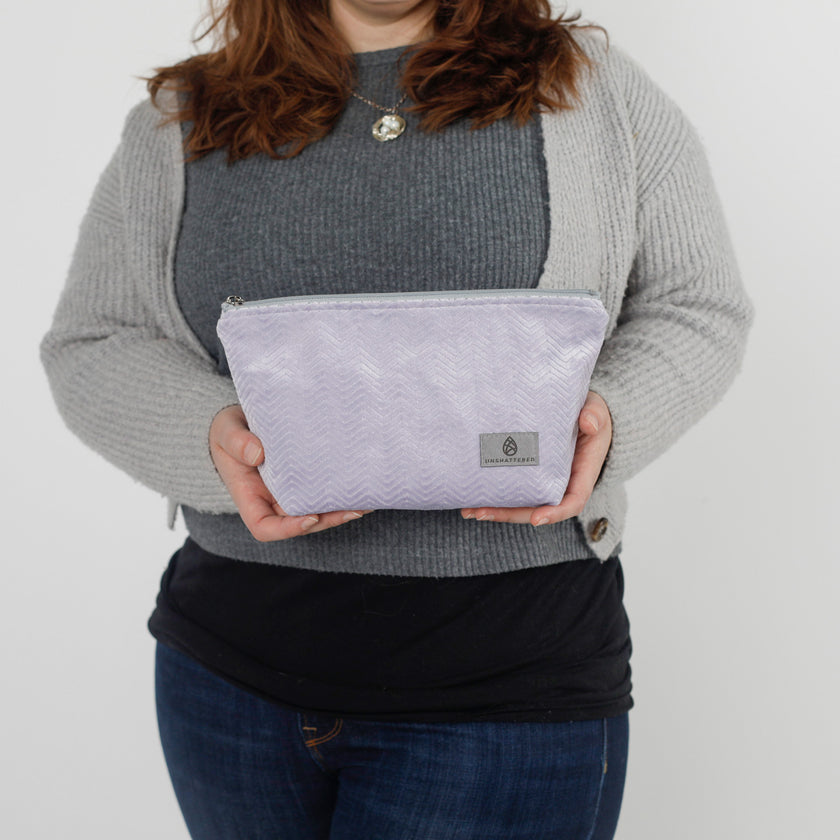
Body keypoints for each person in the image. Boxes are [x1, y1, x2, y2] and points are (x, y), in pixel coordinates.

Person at [40, 0, 753, 837]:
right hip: (227, 688)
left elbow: (697, 305)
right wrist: (211, 435)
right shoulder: (179, 121)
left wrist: (610, 416)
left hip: (506, 697)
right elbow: (94, 338)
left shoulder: (590, 95)